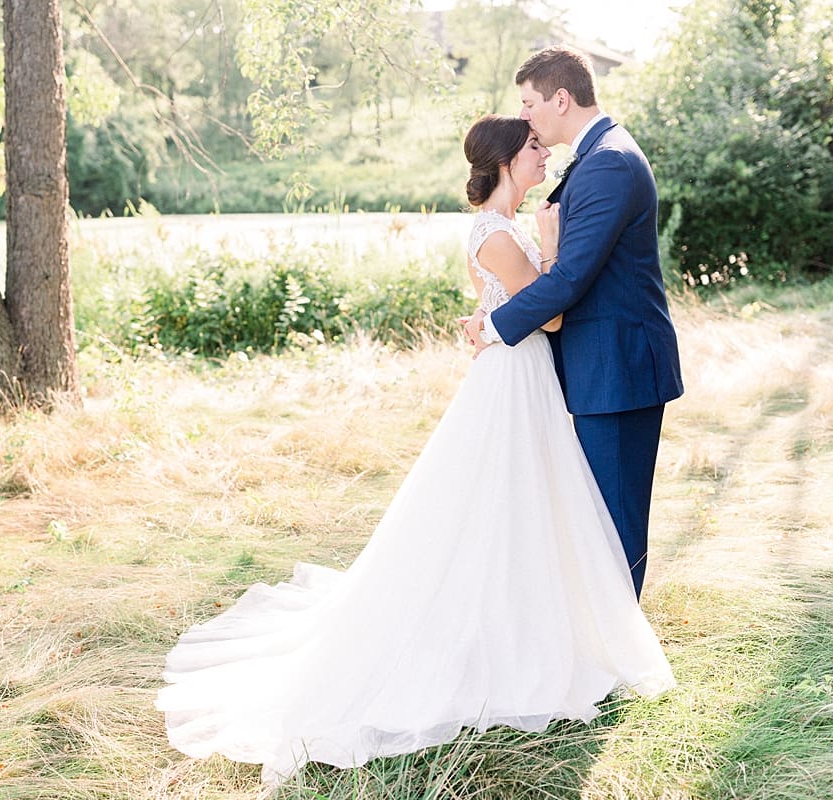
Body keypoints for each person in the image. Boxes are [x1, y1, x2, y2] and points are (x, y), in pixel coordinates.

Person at [156, 114, 674, 786]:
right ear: (507, 162)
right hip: (514, 382)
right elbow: (549, 314)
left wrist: (503, 304)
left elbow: (516, 307)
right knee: (502, 503)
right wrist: (549, 249)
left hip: (522, 375)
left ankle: (541, 620)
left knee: (527, 506)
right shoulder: (499, 232)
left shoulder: (501, 229)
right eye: (535, 148)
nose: (546, 155)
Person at [465, 46, 683, 599]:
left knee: (613, 517)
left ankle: (617, 657)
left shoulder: (608, 160)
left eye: (530, 103)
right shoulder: (600, 155)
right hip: (602, 368)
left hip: (618, 370)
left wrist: (493, 327)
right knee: (598, 515)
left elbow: (570, 280)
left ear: (561, 98)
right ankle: (604, 644)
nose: (526, 116)